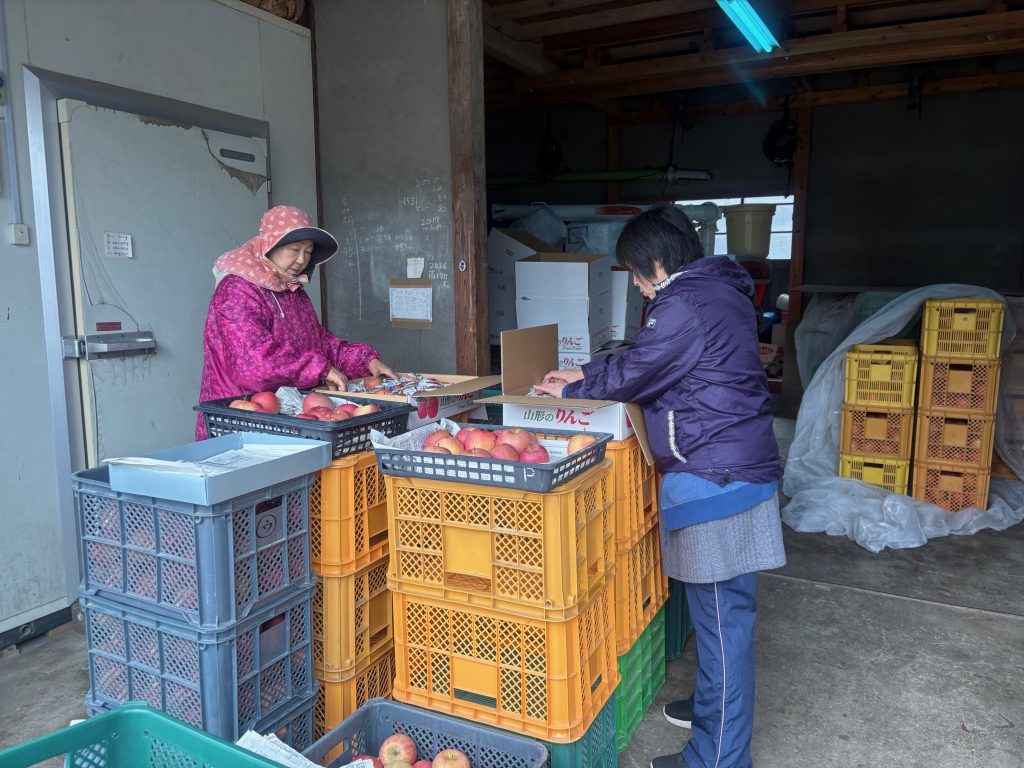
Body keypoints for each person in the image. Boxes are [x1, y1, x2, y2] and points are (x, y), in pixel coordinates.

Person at [535, 205, 785, 768]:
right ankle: (713, 709)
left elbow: (640, 369)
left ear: (656, 262)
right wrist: (586, 374)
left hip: (717, 476)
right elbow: (656, 360)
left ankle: (717, 757)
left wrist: (573, 389)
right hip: (731, 464)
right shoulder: (716, 292)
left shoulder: (683, 303)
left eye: (634, 273)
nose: (637, 287)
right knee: (722, 619)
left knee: (723, 626)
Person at [196, 205, 396, 439]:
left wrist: (365, 360)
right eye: (294, 250)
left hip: (284, 418)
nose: (301, 260)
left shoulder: (290, 289)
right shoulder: (238, 290)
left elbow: (319, 343)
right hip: (237, 420)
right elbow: (253, 363)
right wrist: (318, 369)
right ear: (270, 245)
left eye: (308, 252)